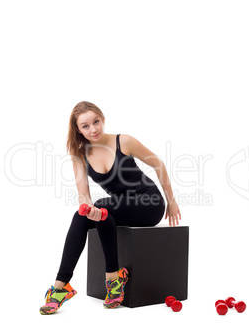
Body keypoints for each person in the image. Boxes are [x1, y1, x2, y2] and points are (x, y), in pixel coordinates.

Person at [40, 101, 181, 314]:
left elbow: (157, 164)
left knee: (100, 207)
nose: (93, 129)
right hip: (117, 207)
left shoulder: (123, 141)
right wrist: (89, 209)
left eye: (96, 122)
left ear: (103, 119)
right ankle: (64, 286)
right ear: (77, 129)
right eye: (85, 126)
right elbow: (83, 196)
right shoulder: (79, 154)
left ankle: (110, 281)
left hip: (148, 203)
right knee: (86, 214)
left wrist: (171, 201)